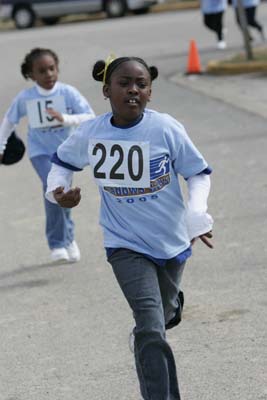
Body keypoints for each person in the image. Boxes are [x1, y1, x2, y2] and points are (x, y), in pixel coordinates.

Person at [45, 55, 214, 399]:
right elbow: (61, 164)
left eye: (141, 84)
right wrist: (57, 193)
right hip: (124, 245)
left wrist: (197, 213)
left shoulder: (165, 128)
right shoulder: (92, 132)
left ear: (150, 93)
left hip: (171, 243)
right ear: (107, 90)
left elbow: (197, 173)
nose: (133, 90)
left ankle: (170, 307)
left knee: (160, 318)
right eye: (124, 84)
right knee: (151, 328)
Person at [0, 47, 96, 263]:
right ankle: (57, 243)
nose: (49, 74)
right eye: (42, 71)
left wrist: (65, 119)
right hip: (40, 153)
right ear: (31, 75)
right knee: (52, 187)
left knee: (63, 195)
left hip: (66, 154)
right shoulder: (25, 98)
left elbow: (90, 116)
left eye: (52, 69)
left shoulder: (68, 92)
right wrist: (1, 146)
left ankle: (68, 238)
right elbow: (8, 121)